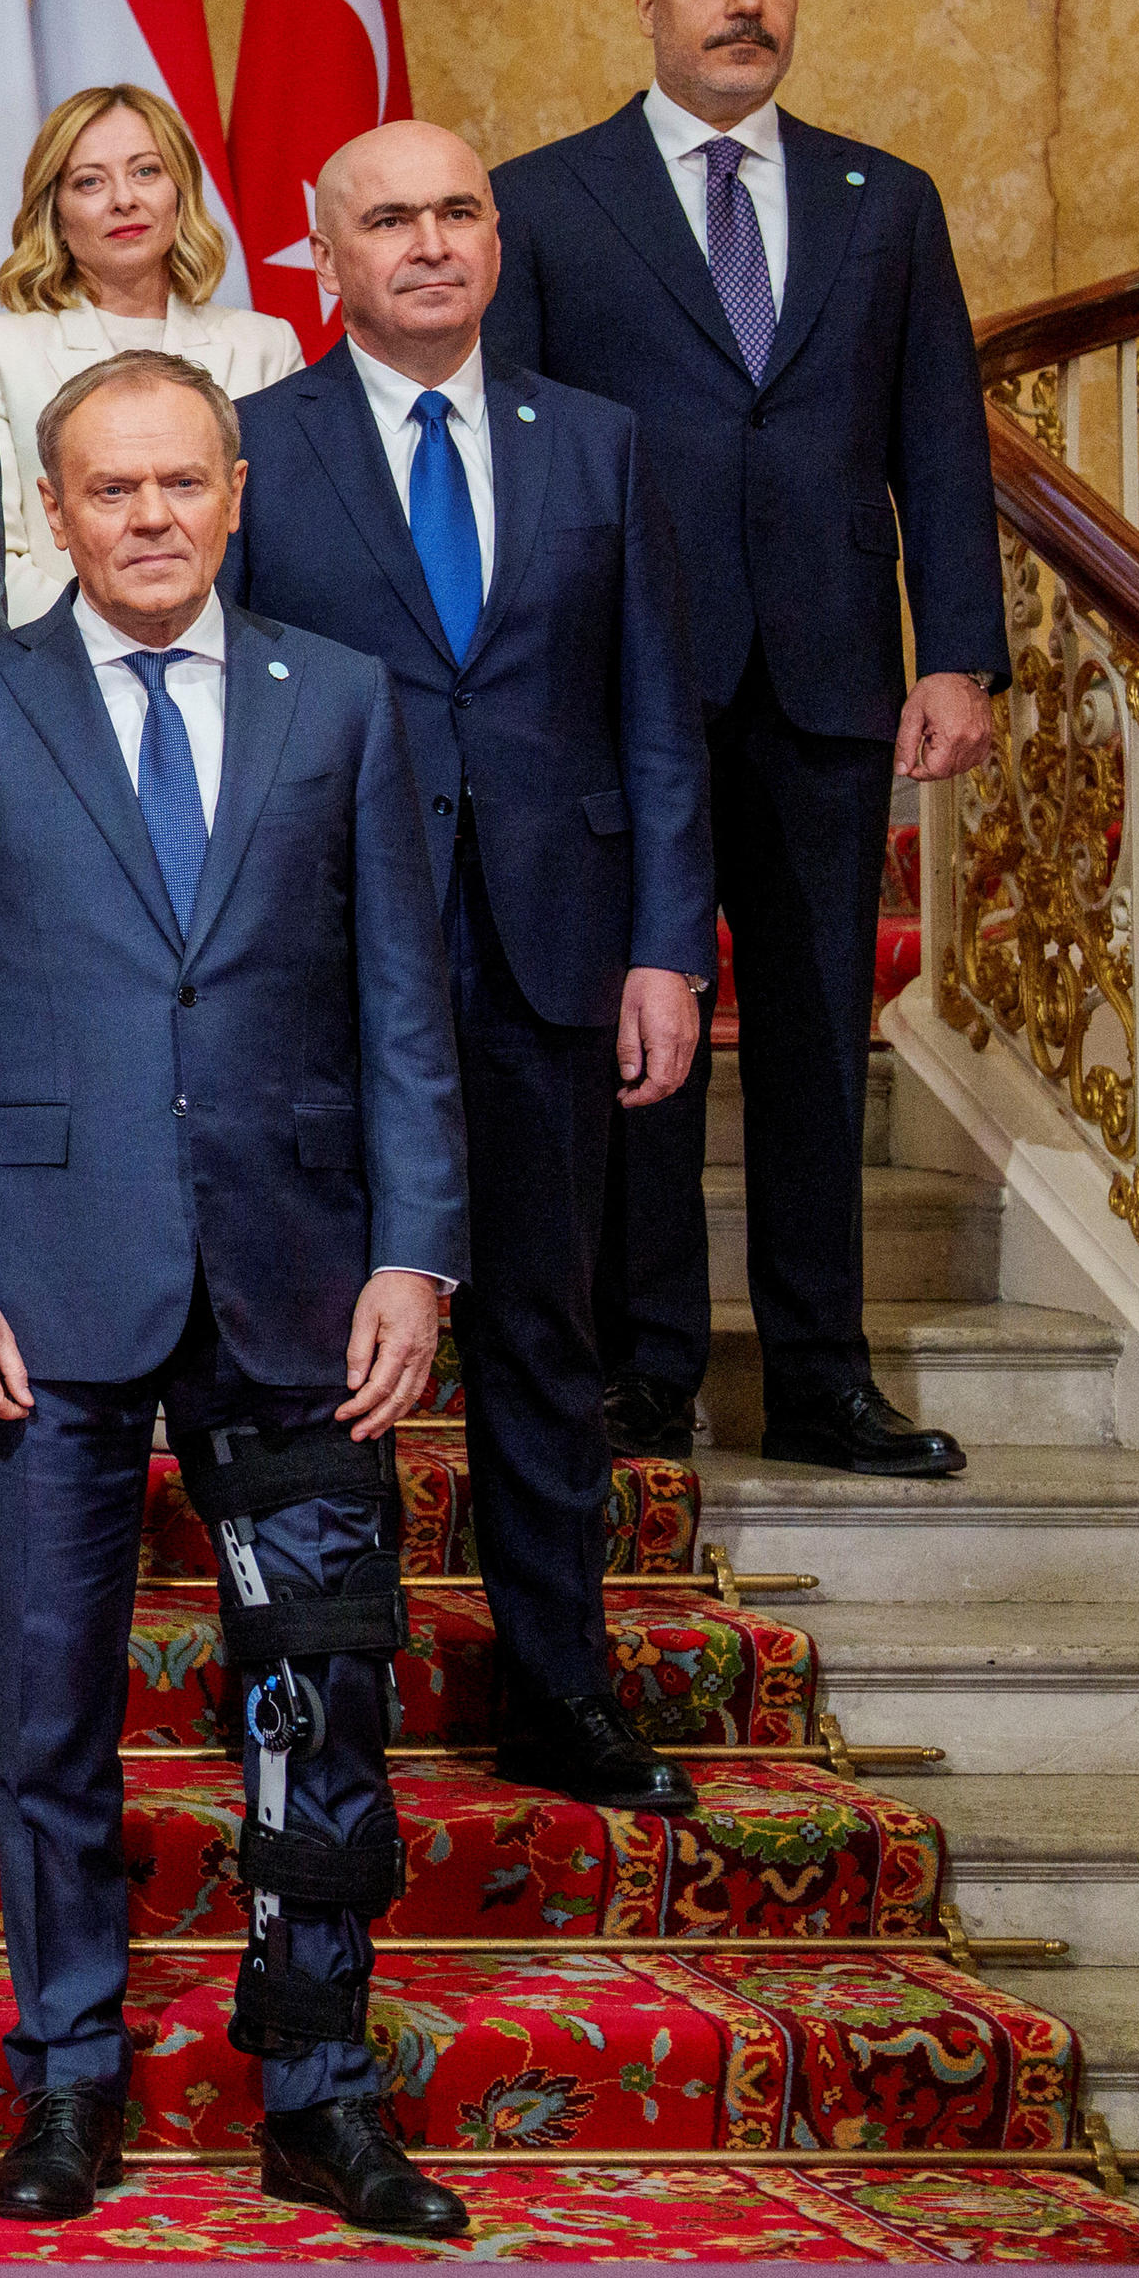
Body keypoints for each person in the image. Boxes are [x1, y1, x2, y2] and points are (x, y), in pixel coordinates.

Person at [0, 348, 470, 2240]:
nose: (148, 517)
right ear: (55, 510)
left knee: (326, 1691)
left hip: (300, 1286)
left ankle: (320, 2083)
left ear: (232, 494)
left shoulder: (341, 700)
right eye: (109, 488)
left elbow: (399, 998)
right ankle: (70, 2074)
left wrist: (415, 1245)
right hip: (44, 1296)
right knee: (49, 1709)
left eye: (180, 484)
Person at [490, 0, 1004, 1480]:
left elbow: (938, 435)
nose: (746, 4)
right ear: (646, 0)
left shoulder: (884, 198)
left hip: (835, 677)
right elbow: (520, 458)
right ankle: (646, 1368)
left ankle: (820, 1375)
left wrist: (963, 651)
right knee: (640, 1022)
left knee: (809, 1040)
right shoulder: (548, 199)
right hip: (620, 685)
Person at [234, 121, 714, 1817]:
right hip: (323, 965)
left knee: (539, 1330)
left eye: (457, 213)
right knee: (320, 1342)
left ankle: (559, 1682)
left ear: (495, 243)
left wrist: (669, 943)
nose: (428, 242)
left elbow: (657, 713)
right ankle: (322, 1677)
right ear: (322, 251)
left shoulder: (597, 442)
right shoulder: (250, 451)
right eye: (389, 218)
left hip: (550, 953)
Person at [0, 83, 301, 621]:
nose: (124, 198)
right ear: (55, 211)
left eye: (146, 171)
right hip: (62, 668)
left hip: (233, 668)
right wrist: (113, 642)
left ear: (180, 192)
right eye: (90, 181)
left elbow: (286, 548)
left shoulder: (265, 347)